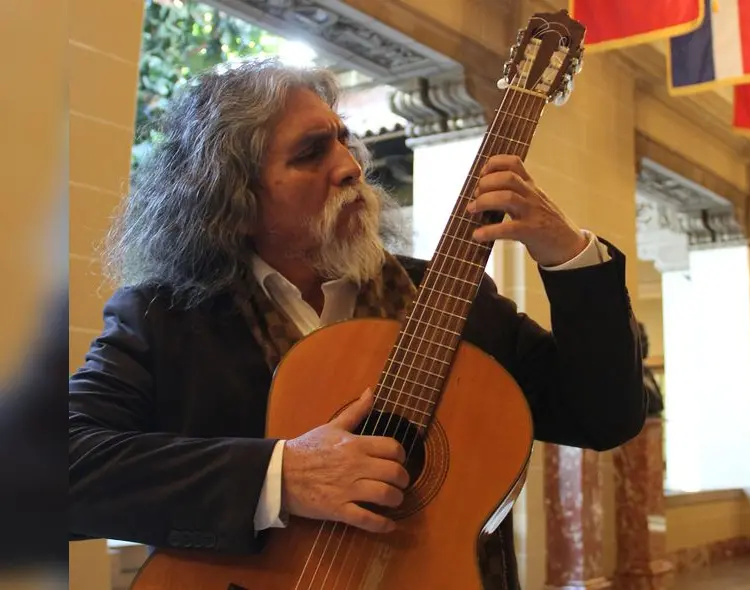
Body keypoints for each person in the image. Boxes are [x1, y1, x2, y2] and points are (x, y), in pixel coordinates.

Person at [68, 59, 646, 590]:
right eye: (310, 153)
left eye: (344, 140)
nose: (350, 167)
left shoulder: (447, 296)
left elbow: (604, 417)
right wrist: (282, 476)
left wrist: (568, 254)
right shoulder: (166, 319)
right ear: (233, 200)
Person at [638, 322, 664, 416]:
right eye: (643, 339)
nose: (647, 344)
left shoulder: (647, 372)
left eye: (647, 339)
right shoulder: (631, 374)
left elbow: (659, 404)